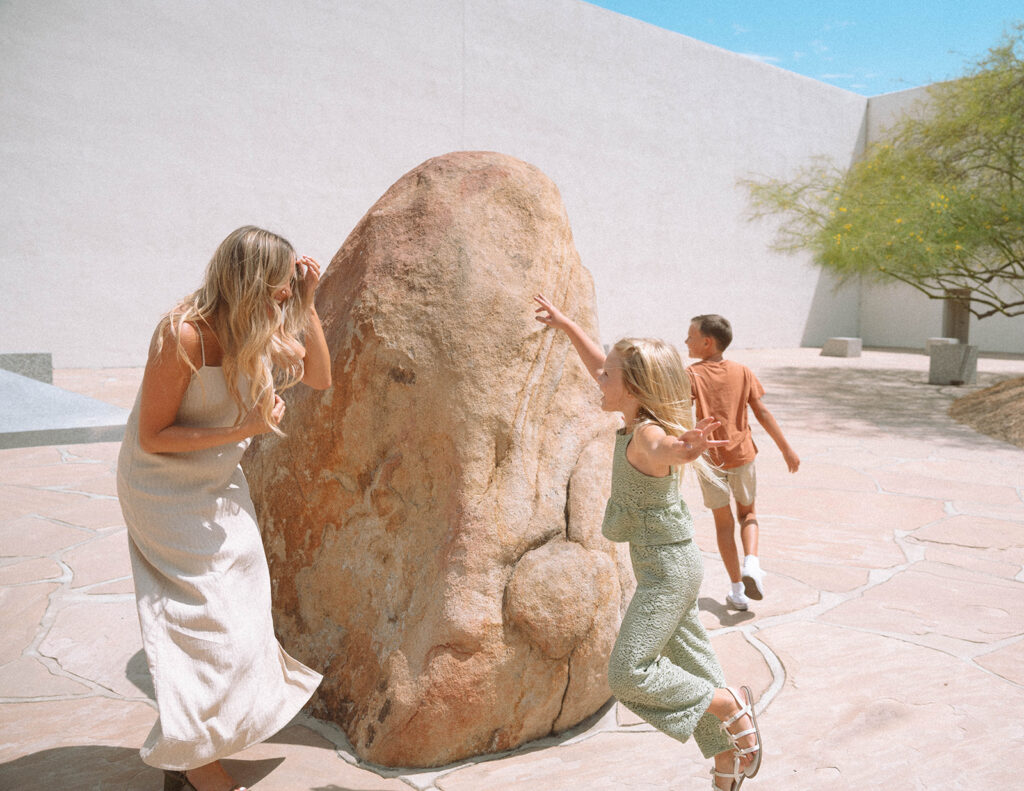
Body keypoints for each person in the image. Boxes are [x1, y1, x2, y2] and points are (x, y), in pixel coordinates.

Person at [116, 226, 332, 791]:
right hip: (162, 487)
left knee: (244, 617)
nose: (285, 295)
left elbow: (320, 375)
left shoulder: (259, 326)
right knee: (203, 622)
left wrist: (308, 303)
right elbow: (153, 435)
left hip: (218, 482)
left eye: (289, 287)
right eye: (281, 287)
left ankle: (196, 748)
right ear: (250, 282)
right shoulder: (183, 336)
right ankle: (193, 764)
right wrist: (248, 428)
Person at [534, 295, 763, 791]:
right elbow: (599, 359)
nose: (600, 378)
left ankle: (730, 705)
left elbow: (668, 449)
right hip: (667, 563)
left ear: (633, 387)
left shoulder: (648, 435)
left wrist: (688, 448)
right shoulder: (635, 418)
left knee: (629, 674)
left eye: (609, 376)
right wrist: (565, 323)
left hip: (668, 571)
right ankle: (727, 765)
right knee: (695, 669)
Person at [684, 315, 799, 612]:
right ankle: (752, 563)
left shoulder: (692, 374)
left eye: (690, 337)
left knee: (723, 523)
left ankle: (737, 591)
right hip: (742, 454)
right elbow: (761, 412)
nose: (686, 342)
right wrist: (786, 449)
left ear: (707, 342)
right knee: (748, 514)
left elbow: (680, 412)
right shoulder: (743, 371)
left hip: (710, 459)